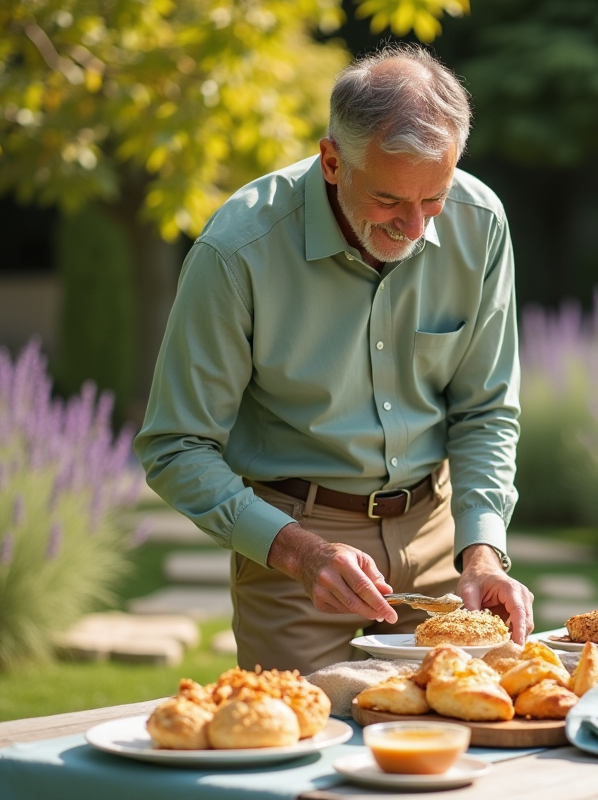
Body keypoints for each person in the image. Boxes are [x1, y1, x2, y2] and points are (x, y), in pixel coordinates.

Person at [134, 44, 533, 676]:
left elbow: (485, 409)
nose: (414, 226)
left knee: (461, 742)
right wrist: (298, 553)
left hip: (436, 540)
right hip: (293, 553)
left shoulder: (479, 222)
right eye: (388, 201)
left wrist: (482, 553)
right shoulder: (238, 251)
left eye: (433, 199)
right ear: (330, 160)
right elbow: (175, 445)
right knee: (295, 752)